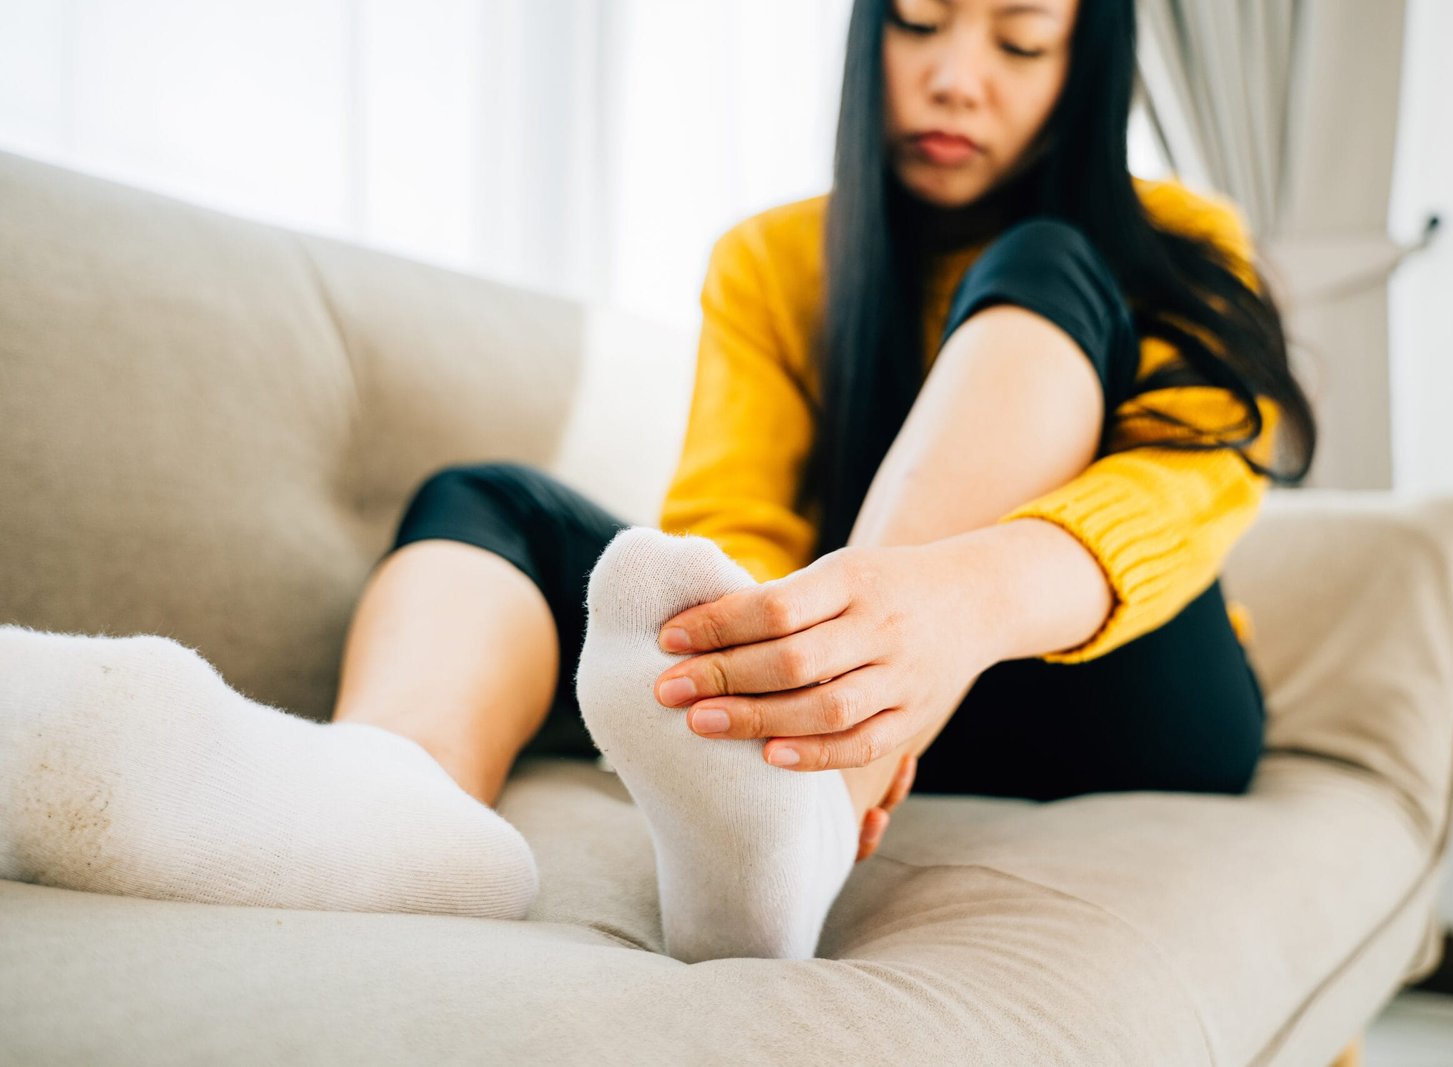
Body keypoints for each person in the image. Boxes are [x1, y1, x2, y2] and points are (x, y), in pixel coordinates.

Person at [0, 0, 1316, 963]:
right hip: (832, 675)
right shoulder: (771, 261)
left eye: (1019, 40)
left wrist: (950, 605)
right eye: (920, 24)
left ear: (1084, 66)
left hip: (1100, 684)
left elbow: (1187, 494)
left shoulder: (1184, 242)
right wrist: (757, 646)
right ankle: (383, 798)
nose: (958, 77)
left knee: (1044, 256)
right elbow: (726, 524)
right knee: (491, 497)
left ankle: (807, 803)